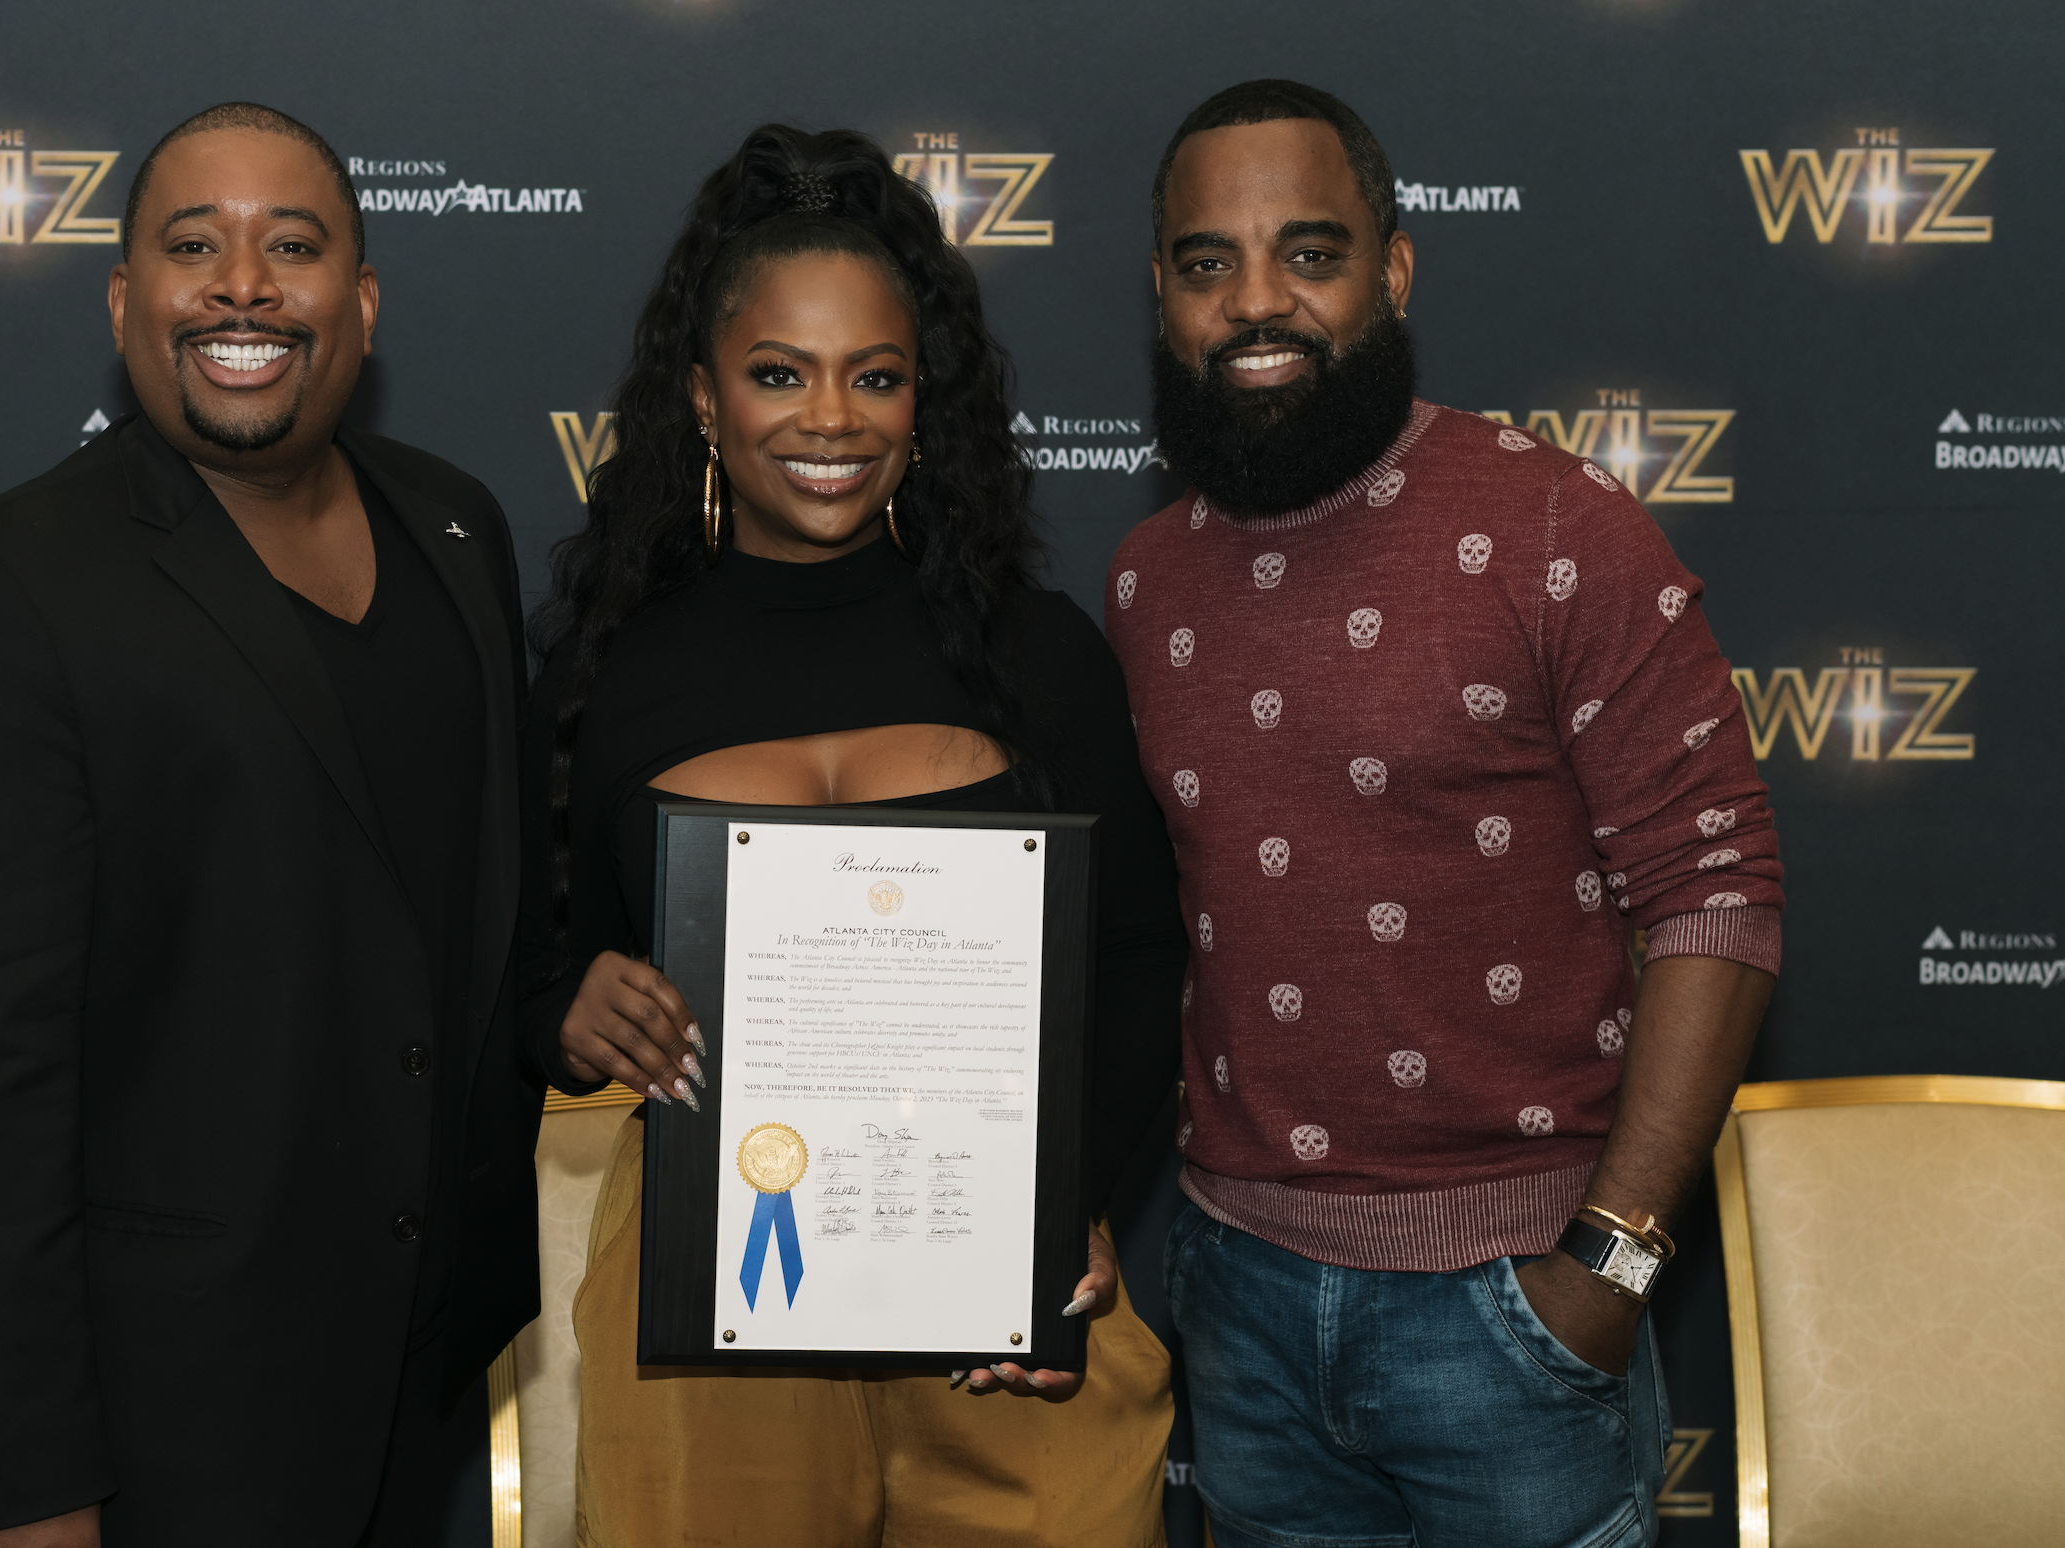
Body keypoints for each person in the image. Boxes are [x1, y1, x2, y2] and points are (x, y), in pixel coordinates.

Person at [0, 103, 534, 1548]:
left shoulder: (458, 530)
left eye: (293, 245)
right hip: (148, 1410)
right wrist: (29, 1481)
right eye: (191, 246)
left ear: (362, 301)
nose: (242, 285)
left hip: (413, 1380)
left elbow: (452, 914)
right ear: (123, 302)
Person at [1111, 80, 1782, 1548]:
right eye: (1208, 264)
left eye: (1311, 251)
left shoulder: (1558, 527)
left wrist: (1607, 1265)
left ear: (1396, 270)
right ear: (1161, 292)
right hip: (1237, 1301)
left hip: (1513, 1306)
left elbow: (1717, 898)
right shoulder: (1146, 581)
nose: (1258, 303)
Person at [514, 124, 1185, 1546]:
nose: (831, 420)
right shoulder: (607, 678)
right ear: (703, 398)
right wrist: (572, 1016)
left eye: (875, 377)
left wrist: (1072, 1201)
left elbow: (1138, 957)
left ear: (922, 401)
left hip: (1013, 1289)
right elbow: (532, 970)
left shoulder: (1040, 654)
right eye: (779, 374)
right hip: (718, 1296)